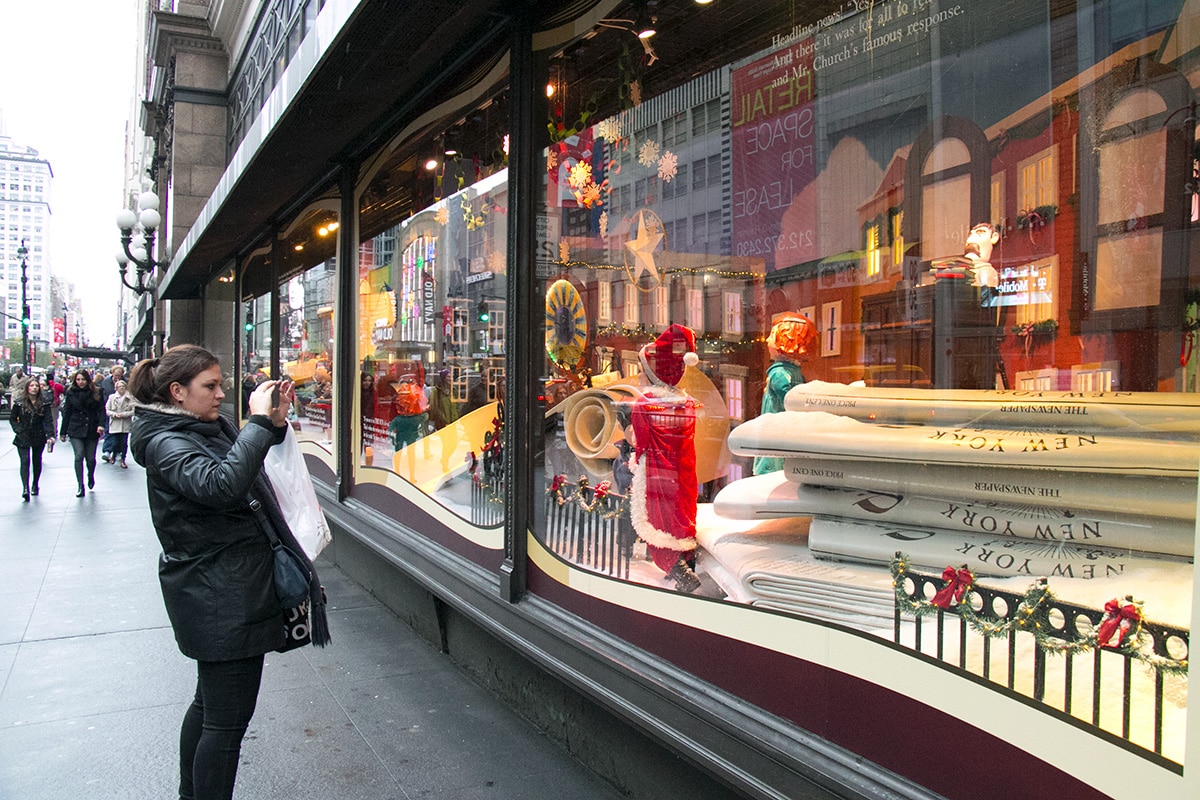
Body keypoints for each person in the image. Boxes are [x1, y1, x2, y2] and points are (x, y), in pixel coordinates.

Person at [127, 344, 330, 800]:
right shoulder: (167, 441)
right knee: (225, 723)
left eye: (221, 384)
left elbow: (239, 462)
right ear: (177, 392)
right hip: (221, 595)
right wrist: (258, 425)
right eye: (210, 386)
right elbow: (222, 485)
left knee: (209, 708)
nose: (221, 395)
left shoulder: (193, 426)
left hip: (224, 588)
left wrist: (272, 425)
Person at [752, 314, 817, 475]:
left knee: (770, 468)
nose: (767, 340)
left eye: (772, 336)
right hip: (784, 432)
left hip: (775, 431)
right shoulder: (794, 372)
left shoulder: (779, 374)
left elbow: (790, 401)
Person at [60, 368, 106, 498]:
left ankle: (90, 475)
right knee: (79, 455)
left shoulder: (96, 392)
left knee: (90, 459)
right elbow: (67, 412)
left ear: (88, 380)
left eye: (83, 379)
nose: (81, 382)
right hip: (75, 427)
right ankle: (80, 485)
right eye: (78, 379)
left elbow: (101, 410)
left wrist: (101, 425)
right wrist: (63, 432)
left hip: (91, 427)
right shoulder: (70, 393)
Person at [10, 376, 54, 501]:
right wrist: (18, 430)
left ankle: (35, 484)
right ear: (27, 388)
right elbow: (13, 418)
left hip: (38, 434)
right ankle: (25, 487)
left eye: (36, 386)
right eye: (31, 386)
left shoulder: (44, 402)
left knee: (36, 460)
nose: (34, 388)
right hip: (23, 434)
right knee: (24, 461)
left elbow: (48, 420)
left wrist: (50, 435)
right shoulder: (19, 402)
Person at [104, 379, 135, 468]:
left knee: (123, 443)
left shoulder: (129, 398)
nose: (121, 388)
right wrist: (114, 414)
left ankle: (123, 459)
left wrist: (124, 414)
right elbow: (107, 409)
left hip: (125, 423)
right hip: (115, 423)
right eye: (119, 387)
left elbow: (133, 411)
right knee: (115, 442)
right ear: (116, 388)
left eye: (123, 386)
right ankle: (114, 455)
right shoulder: (112, 397)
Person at [100, 365, 127, 463]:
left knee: (121, 434)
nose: (117, 378)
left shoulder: (125, 383)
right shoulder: (106, 383)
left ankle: (118, 452)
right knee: (108, 430)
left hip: (122, 413)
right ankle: (107, 450)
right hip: (109, 410)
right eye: (116, 375)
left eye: (119, 376)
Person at [42, 369, 65, 452]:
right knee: (54, 419)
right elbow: (63, 390)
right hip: (54, 405)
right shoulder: (56, 385)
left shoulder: (43, 384)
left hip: (44, 404)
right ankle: (53, 433)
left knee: (46, 419)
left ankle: (47, 433)